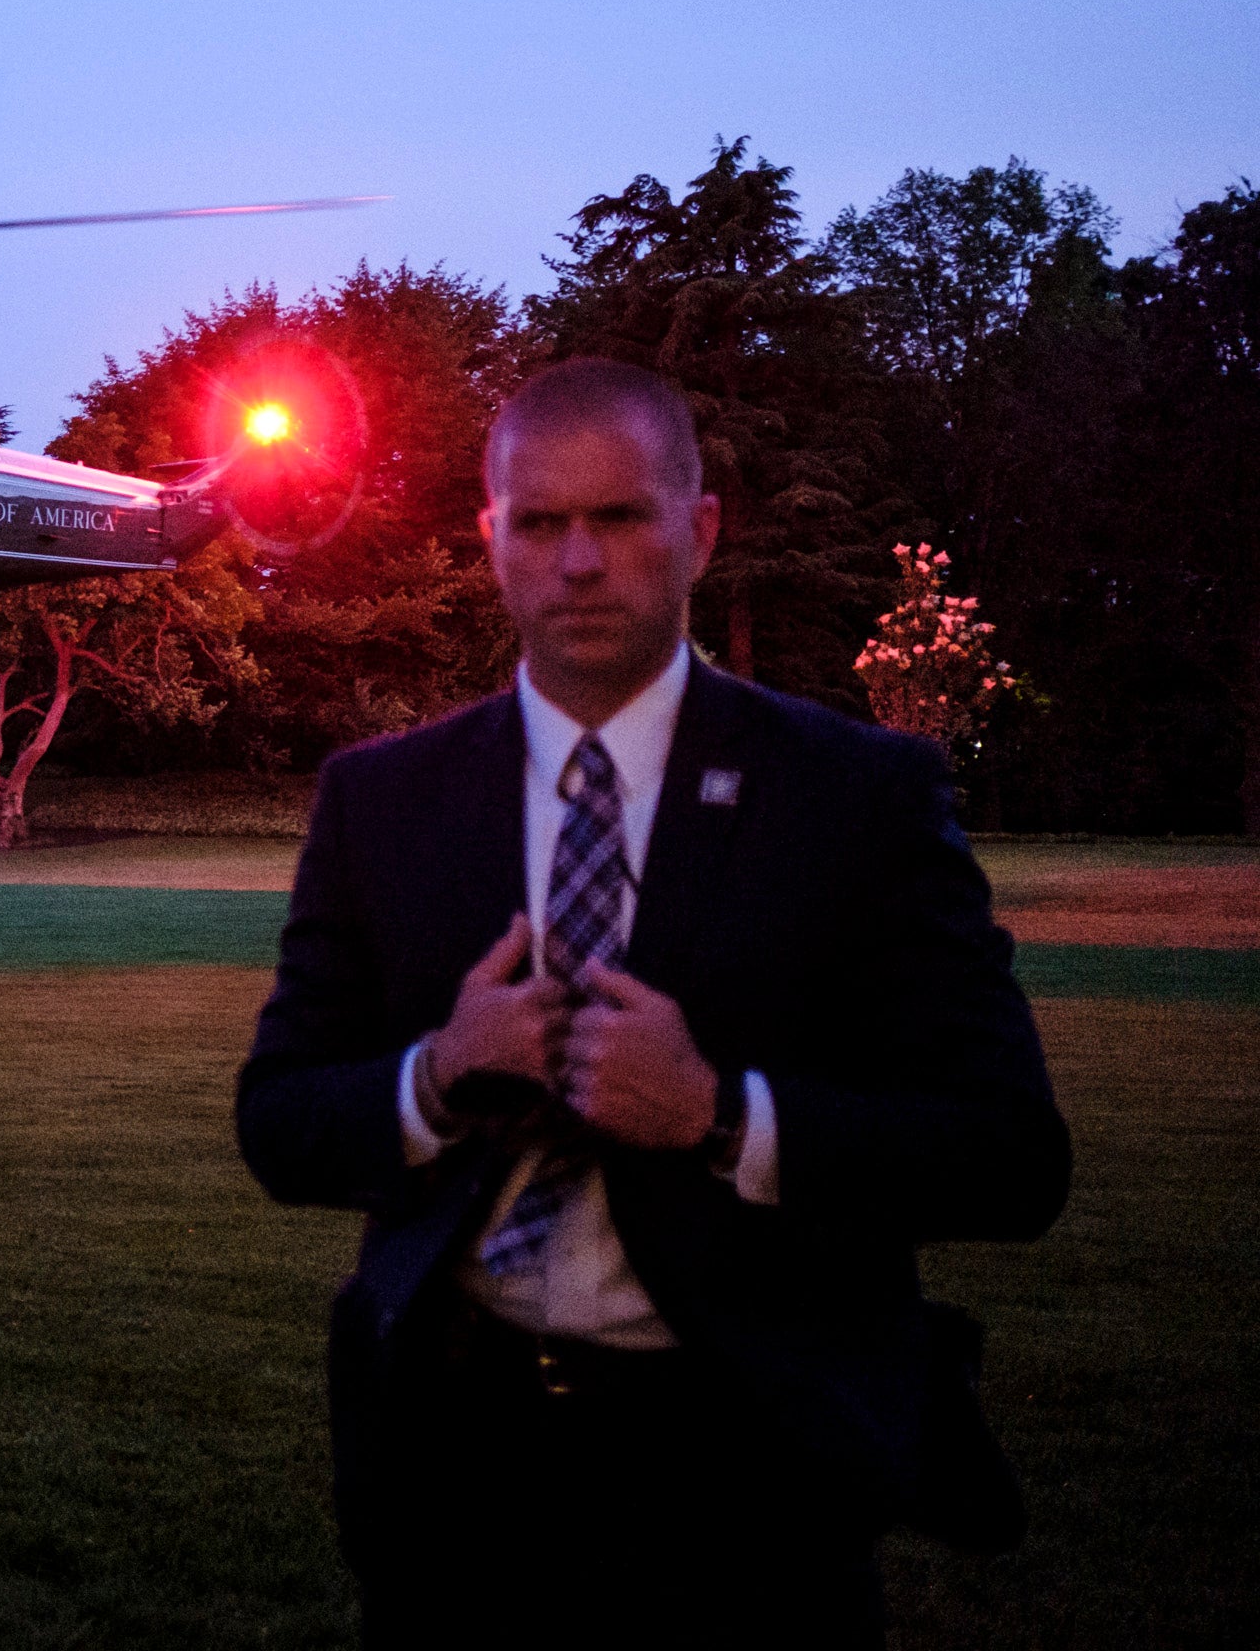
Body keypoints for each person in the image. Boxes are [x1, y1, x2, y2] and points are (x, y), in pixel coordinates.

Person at [235, 357, 1070, 1648]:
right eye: (540, 521)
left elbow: (1011, 1158)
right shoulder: (382, 802)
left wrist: (725, 1118)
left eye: (620, 517)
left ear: (702, 528)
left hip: (747, 1474)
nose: (579, 561)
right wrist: (438, 1075)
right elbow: (280, 1120)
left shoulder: (855, 800)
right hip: (453, 1456)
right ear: (490, 536)